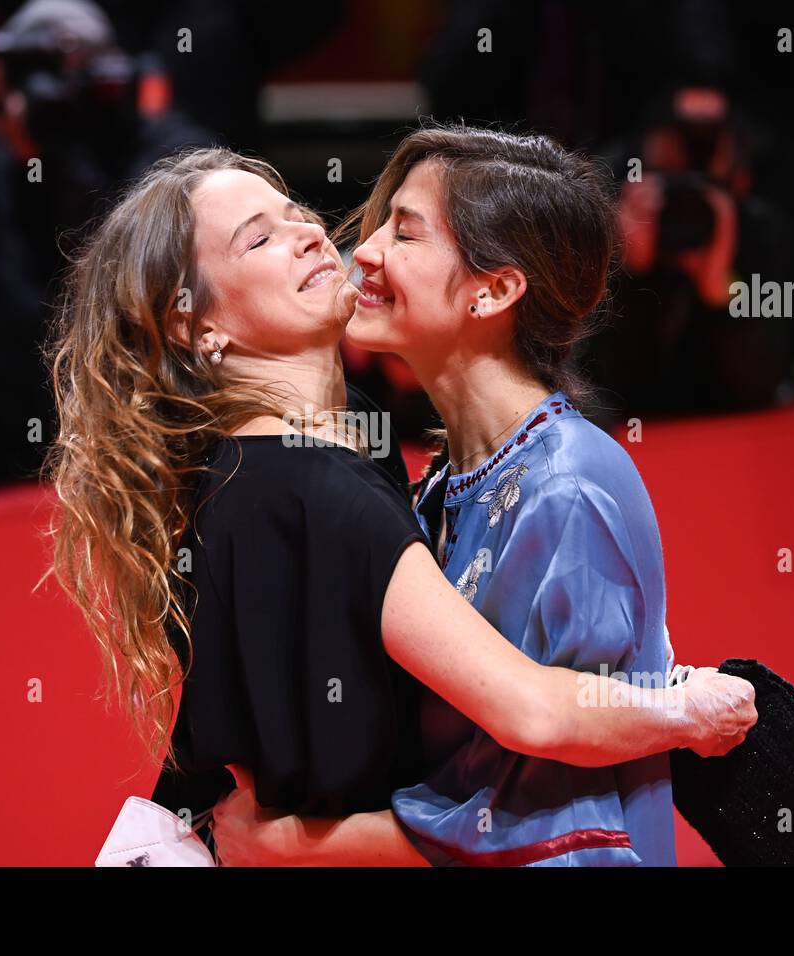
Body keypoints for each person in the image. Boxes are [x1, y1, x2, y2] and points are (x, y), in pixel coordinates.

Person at [41, 147, 757, 859]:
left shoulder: (317, 450)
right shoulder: (313, 488)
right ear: (197, 326)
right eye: (258, 238)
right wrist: (687, 706)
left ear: (496, 290)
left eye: (297, 214)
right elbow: (534, 712)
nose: (326, 236)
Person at [210, 126, 722, 866]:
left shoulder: (570, 486)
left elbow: (552, 822)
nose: (368, 251)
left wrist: (299, 845)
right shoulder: (447, 481)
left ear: (495, 290)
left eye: (405, 232)